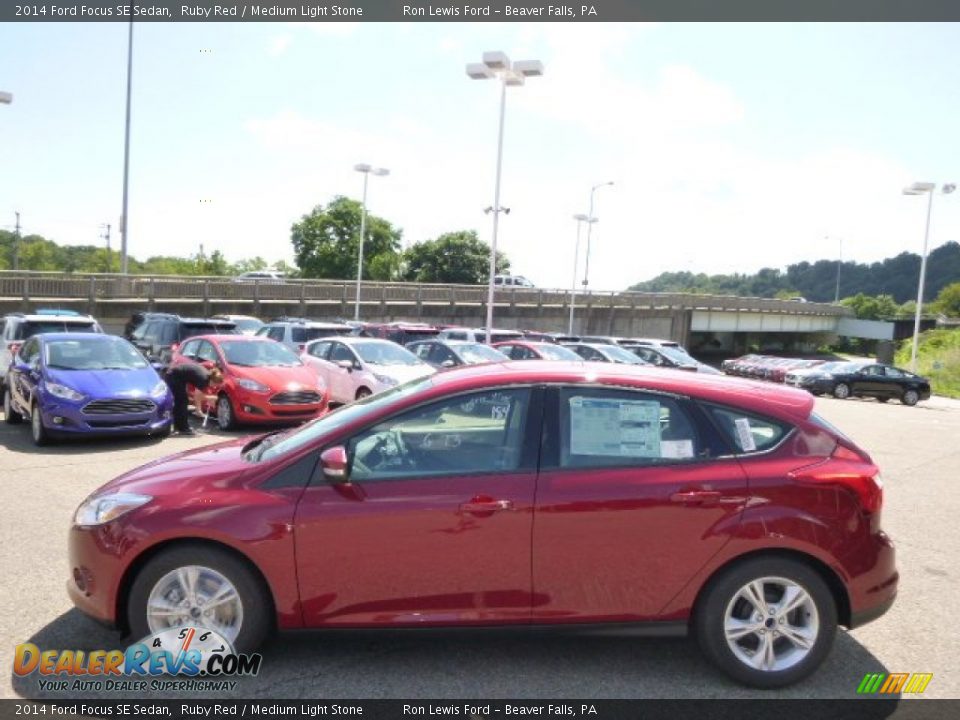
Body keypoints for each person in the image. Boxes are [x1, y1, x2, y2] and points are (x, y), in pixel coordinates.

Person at [164, 363, 223, 436]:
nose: (214, 387)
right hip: (173, 376)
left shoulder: (207, 376)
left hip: (177, 376)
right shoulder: (204, 379)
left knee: (181, 401)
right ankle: (183, 428)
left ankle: (178, 426)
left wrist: (209, 398)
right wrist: (199, 410)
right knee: (182, 402)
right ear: (213, 381)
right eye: (215, 385)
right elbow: (197, 396)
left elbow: (200, 394)